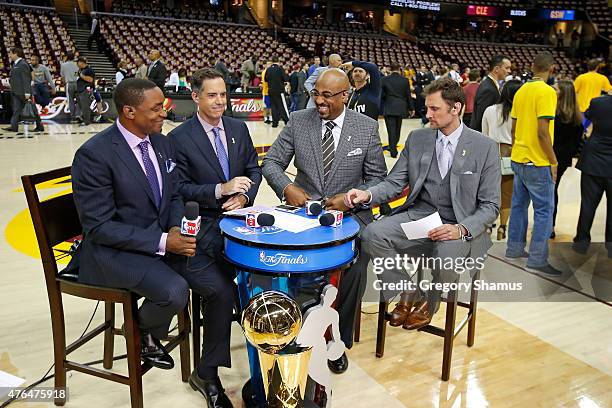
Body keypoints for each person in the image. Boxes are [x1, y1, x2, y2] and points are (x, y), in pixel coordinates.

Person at [348, 77, 500, 330]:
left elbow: (490, 206)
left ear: (456, 108)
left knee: (446, 256)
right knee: (372, 233)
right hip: (419, 216)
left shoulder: (484, 147)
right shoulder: (418, 139)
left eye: (434, 109)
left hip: (459, 226)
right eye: (427, 107)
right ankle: (408, 291)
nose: (427, 114)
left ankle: (430, 303)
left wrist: (460, 229)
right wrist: (369, 195)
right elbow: (395, 182)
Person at [262, 68, 386, 374]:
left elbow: (378, 180)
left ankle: (337, 339)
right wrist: (286, 187)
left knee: (356, 264)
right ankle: (294, 327)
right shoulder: (298, 120)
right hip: (304, 214)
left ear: (345, 95)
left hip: (351, 215)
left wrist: (354, 196)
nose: (318, 101)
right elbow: (272, 162)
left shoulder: (366, 128)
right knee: (291, 262)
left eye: (327, 95)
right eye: (315, 93)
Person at [71, 78, 196, 372]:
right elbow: (99, 227)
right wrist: (164, 241)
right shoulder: (94, 155)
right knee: (175, 292)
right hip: (111, 252)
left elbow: (174, 193)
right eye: (155, 109)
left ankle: (150, 335)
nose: (164, 113)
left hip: (152, 241)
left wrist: (176, 228)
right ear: (129, 111)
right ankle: (139, 333)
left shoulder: (162, 142)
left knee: (200, 270)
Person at [168, 68, 261, 407]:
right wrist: (219, 190)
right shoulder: (178, 139)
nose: (220, 101)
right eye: (212, 95)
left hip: (237, 227)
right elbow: (177, 190)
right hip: (198, 234)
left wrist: (245, 196)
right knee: (221, 292)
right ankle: (207, 375)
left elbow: (253, 168)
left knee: (261, 277)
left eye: (223, 94)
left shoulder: (238, 127)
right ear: (195, 97)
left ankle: (265, 363)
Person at [505, 52, 561, 276]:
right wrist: (553, 161)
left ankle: (514, 249)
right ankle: (538, 259)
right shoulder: (547, 92)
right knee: (544, 211)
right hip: (538, 161)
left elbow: (513, 129)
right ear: (552, 69)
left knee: (518, 206)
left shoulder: (521, 90)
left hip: (518, 158)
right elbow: (542, 131)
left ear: (532, 66)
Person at [482, 80, 522, 240]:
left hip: (490, 154)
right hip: (511, 155)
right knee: (507, 195)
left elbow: (484, 135)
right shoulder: (519, 113)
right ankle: (502, 227)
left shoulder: (490, 110)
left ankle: (487, 227)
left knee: (488, 195)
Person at [573, 94, 612, 258]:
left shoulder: (598, 102)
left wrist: (587, 129)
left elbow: (583, 118)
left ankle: (581, 243)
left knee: (588, 204)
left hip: (593, 159)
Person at [550, 80, 583, 238]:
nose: (553, 90)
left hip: (551, 157)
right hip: (564, 159)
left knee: (550, 191)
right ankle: (551, 225)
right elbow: (577, 144)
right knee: (553, 190)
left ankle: (549, 225)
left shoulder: (554, 114)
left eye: (556, 89)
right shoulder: (577, 118)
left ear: (563, 93)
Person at [3, 47, 44, 132]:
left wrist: (27, 92)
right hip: (15, 91)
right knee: (16, 109)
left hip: (23, 92)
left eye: (11, 53)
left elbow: (26, 79)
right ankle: (14, 126)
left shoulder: (23, 64)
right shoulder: (15, 64)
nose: (9, 55)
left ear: (16, 54)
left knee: (33, 108)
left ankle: (39, 126)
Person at [470, 55, 511, 132]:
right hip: (483, 137)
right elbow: (482, 118)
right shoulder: (488, 89)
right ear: (496, 69)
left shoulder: (490, 85)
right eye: (507, 68)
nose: (509, 71)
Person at [381, 62, 413, 158]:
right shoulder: (405, 80)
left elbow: (381, 95)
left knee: (391, 130)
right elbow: (408, 95)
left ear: (390, 69)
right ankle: (393, 146)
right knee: (397, 129)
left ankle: (393, 150)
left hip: (389, 106)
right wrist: (411, 108)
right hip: (401, 107)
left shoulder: (384, 79)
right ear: (399, 69)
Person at [574, 59, 612, 131]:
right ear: (597, 67)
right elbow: (610, 91)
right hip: (594, 108)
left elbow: (573, 91)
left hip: (581, 108)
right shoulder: (602, 78)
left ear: (588, 67)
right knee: (588, 130)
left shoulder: (581, 77)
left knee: (581, 130)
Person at [263, 55, 289, 127]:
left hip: (271, 91)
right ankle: (287, 121)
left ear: (272, 62)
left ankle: (275, 123)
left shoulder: (268, 69)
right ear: (278, 61)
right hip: (279, 91)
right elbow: (285, 79)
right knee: (282, 106)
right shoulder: (280, 69)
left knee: (273, 107)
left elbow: (265, 80)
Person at [60, 51, 80, 122]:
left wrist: (64, 83)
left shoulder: (63, 65)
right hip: (77, 83)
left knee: (70, 101)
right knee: (78, 100)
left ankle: (73, 117)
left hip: (69, 84)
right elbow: (78, 74)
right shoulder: (77, 64)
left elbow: (62, 77)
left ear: (67, 57)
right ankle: (79, 115)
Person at [76, 57, 95, 126]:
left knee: (85, 106)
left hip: (86, 90)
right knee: (81, 106)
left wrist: (81, 76)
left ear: (81, 62)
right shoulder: (80, 70)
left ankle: (87, 121)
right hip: (80, 90)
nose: (77, 64)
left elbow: (90, 80)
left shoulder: (89, 70)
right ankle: (82, 118)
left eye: (78, 62)